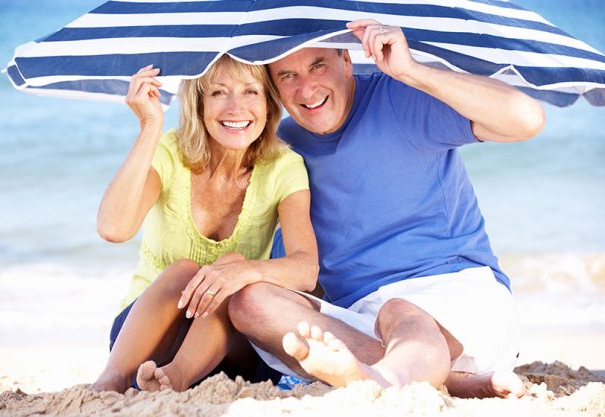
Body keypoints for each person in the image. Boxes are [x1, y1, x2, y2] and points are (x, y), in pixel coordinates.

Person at [228, 19, 545, 398]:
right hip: (363, 322)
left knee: (399, 310)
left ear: (347, 60)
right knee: (249, 302)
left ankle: (384, 383)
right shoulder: (283, 149)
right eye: (287, 76)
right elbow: (293, 264)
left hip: (461, 296)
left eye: (318, 66)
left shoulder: (400, 97)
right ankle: (448, 382)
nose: (307, 88)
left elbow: (527, 119)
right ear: (274, 89)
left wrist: (413, 71)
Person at [89, 55, 318, 393]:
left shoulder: (284, 166)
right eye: (218, 93)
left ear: (270, 104)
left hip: (230, 347)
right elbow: (113, 228)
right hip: (145, 341)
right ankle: (110, 381)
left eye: (251, 92)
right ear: (198, 104)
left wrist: (243, 272)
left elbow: (305, 269)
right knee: (185, 271)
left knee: (231, 270)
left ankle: (175, 379)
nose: (236, 108)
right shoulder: (171, 150)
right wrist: (149, 127)